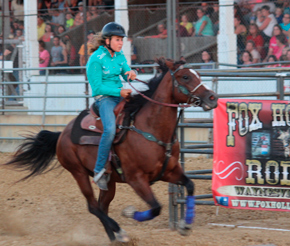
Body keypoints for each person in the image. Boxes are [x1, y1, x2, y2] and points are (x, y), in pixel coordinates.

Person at [86, 22, 136, 190]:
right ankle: (99, 170)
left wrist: (132, 74)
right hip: (104, 99)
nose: (121, 43)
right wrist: (119, 91)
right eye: (117, 40)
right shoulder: (95, 59)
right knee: (110, 130)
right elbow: (97, 87)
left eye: (121, 40)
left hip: (119, 95)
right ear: (107, 41)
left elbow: (126, 73)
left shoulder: (119, 56)